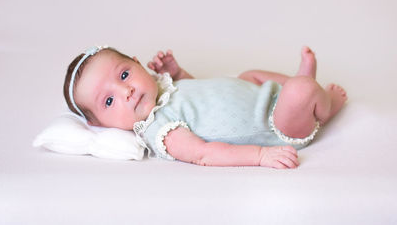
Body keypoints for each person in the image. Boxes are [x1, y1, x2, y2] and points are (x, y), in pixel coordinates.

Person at [63, 46, 347, 169]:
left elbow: (202, 96)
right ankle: (324, 103)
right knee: (300, 91)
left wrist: (178, 72)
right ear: (99, 124)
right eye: (109, 101)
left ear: (137, 63)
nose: (126, 91)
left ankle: (303, 89)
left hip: (259, 95)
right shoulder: (162, 130)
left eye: (124, 75)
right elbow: (205, 154)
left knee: (250, 74)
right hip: (275, 124)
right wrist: (260, 156)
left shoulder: (163, 88)